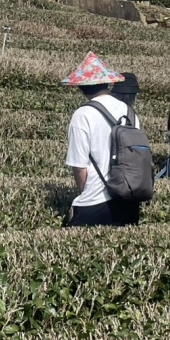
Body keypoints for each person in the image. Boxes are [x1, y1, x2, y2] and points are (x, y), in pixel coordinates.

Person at [63, 52, 141, 227]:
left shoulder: (83, 114)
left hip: (95, 202)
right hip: (129, 201)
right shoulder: (129, 112)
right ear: (107, 83)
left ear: (80, 86)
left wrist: (86, 192)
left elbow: (79, 166)